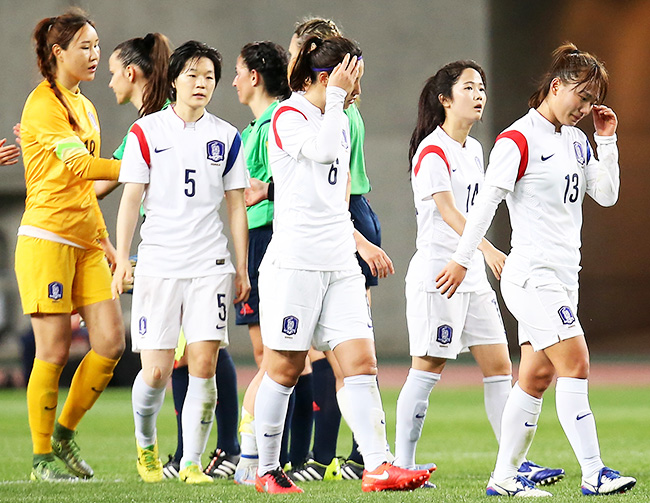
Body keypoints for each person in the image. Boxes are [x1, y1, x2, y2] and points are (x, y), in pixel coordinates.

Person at [436, 43, 636, 497]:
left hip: (566, 277)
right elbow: (485, 205)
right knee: (577, 361)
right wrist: (463, 259)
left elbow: (605, 195)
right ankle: (594, 472)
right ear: (556, 85)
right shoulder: (517, 139)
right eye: (580, 97)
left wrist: (606, 140)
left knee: (535, 376)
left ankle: (503, 478)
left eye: (590, 102)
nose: (584, 109)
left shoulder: (578, 140)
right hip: (531, 275)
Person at [253, 35, 429, 494]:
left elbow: (334, 200)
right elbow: (323, 150)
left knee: (361, 363)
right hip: (295, 264)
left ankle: (377, 465)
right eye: (353, 78)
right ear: (329, 78)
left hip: (338, 262)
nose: (357, 90)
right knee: (286, 368)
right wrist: (333, 101)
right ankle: (268, 469)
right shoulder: (288, 116)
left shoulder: (342, 118)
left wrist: (359, 244)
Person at [394, 60, 564, 487]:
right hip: (440, 272)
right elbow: (449, 211)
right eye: (469, 87)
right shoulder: (432, 150)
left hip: (468, 273)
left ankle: (513, 465)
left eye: (482, 87)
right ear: (445, 98)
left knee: (499, 365)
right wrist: (487, 249)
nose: (479, 94)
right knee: (427, 368)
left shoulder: (473, 149)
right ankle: (403, 463)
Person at [111, 40, 250, 485]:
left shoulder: (228, 136)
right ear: (173, 80)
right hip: (158, 264)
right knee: (153, 372)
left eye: (209, 76)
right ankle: (146, 446)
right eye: (192, 74)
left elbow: (236, 207)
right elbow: (130, 198)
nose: (201, 83)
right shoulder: (146, 132)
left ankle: (192, 460)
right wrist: (122, 259)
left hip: (210, 264)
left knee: (203, 365)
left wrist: (242, 267)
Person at [16, 8, 125, 481]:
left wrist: (104, 239)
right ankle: (42, 457)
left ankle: (64, 432)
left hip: (85, 241)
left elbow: (84, 188)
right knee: (54, 352)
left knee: (110, 343)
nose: (95, 54)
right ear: (58, 53)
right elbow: (83, 168)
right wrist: (143, 164)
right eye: (85, 46)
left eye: (98, 46)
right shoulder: (42, 105)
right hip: (47, 239)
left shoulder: (87, 105)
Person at [228, 40, 293, 485]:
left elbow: (284, 186)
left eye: (236, 71)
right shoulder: (253, 129)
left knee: (280, 355)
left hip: (272, 238)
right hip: (256, 239)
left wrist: (262, 191)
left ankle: (253, 455)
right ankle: (261, 455)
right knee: (267, 355)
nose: (232, 81)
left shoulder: (278, 126)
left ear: (254, 77)